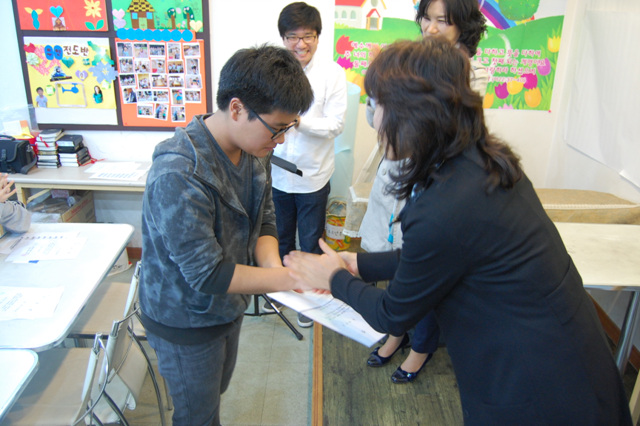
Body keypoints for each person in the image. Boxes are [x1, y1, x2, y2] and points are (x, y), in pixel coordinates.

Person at [284, 38, 632, 425]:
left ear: (415, 114)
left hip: (534, 387)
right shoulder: (480, 161)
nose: (375, 120)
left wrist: (333, 278)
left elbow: (392, 313)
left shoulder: (444, 205)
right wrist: (359, 264)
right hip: (569, 356)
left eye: (378, 105)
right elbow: (443, 254)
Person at [138, 44, 314, 425]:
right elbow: (208, 274)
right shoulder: (179, 171)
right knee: (197, 416)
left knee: (214, 394)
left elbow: (264, 218)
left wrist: (274, 268)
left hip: (228, 306)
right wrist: (288, 279)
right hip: (185, 320)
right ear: (236, 109)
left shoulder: (254, 149)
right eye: (277, 128)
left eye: (288, 128)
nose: (281, 139)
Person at [360, 0, 489, 384]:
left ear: (462, 26)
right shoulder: (408, 61)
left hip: (432, 184)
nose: (431, 29)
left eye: (442, 21)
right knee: (392, 264)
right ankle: (396, 332)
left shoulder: (470, 73)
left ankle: (421, 347)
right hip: (395, 177)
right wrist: (377, 85)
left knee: (425, 270)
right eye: (426, 19)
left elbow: (443, 133)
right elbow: (375, 120)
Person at [268, 2, 348, 328]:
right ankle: (284, 288)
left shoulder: (332, 73)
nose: (300, 44)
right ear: (283, 38)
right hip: (277, 172)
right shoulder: (272, 71)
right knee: (280, 236)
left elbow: (336, 125)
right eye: (293, 37)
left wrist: (299, 122)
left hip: (313, 174)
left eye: (308, 36)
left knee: (311, 239)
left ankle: (309, 299)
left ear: (317, 37)